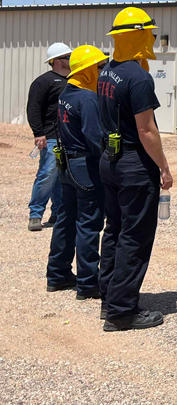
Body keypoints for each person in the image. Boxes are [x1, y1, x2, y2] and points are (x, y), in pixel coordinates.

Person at [98, 7, 172, 331]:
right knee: (135, 235)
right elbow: (147, 130)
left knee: (113, 228)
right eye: (150, 33)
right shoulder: (139, 77)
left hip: (109, 161)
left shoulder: (106, 71)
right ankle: (122, 311)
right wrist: (165, 167)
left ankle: (109, 299)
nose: (153, 38)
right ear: (140, 35)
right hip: (133, 165)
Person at [45, 45, 107, 299]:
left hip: (67, 166)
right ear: (89, 70)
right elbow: (95, 139)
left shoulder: (66, 93)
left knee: (65, 219)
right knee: (89, 224)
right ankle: (88, 283)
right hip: (85, 168)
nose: (103, 72)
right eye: (100, 68)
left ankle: (57, 275)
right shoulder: (88, 98)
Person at [26, 42, 70, 231]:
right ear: (57, 61)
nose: (71, 60)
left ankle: (58, 214)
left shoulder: (74, 80)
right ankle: (35, 214)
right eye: (68, 57)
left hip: (69, 137)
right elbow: (34, 108)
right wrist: (39, 133)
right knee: (47, 174)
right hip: (51, 136)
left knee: (62, 176)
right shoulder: (43, 82)